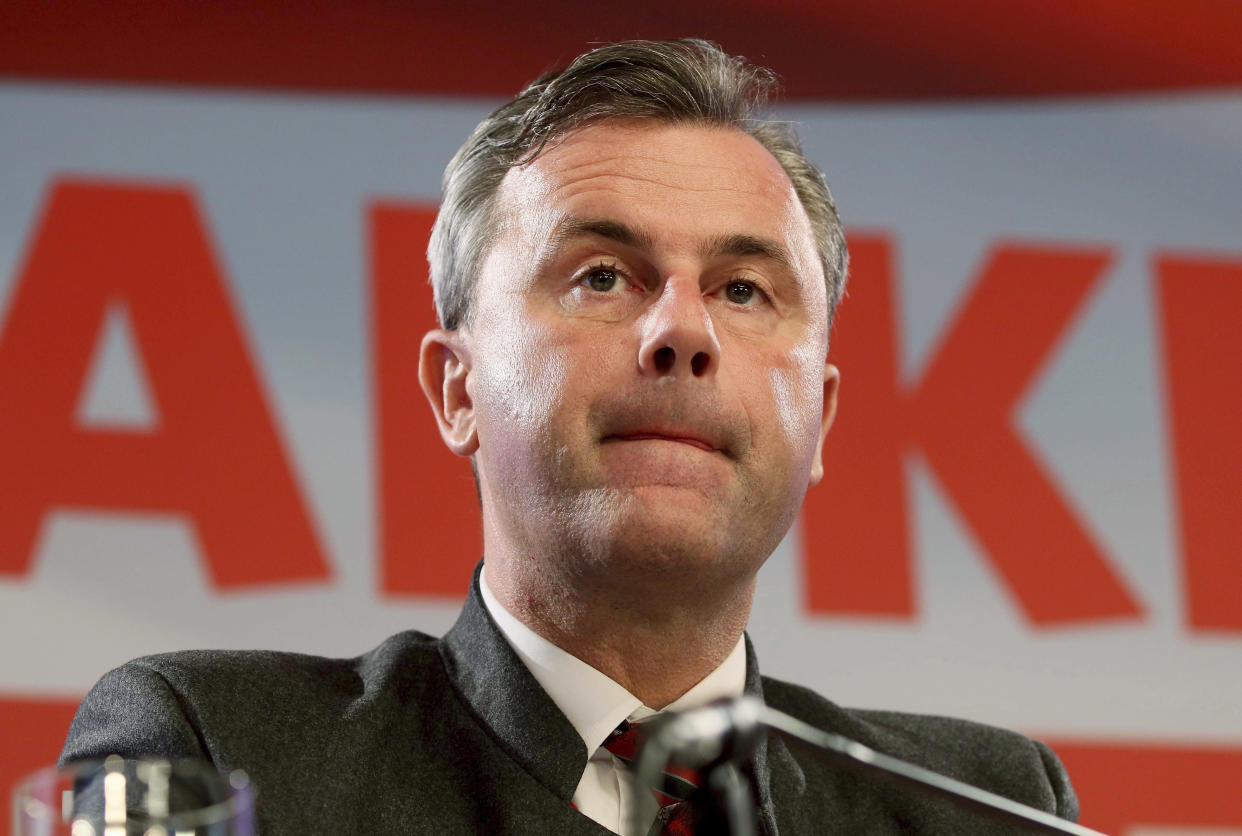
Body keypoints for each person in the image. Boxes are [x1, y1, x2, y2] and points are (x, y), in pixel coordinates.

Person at [61, 39, 1079, 834]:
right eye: (602, 275)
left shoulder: (988, 806)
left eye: (742, 288)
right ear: (455, 387)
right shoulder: (215, 746)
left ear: (823, 418)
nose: (682, 330)